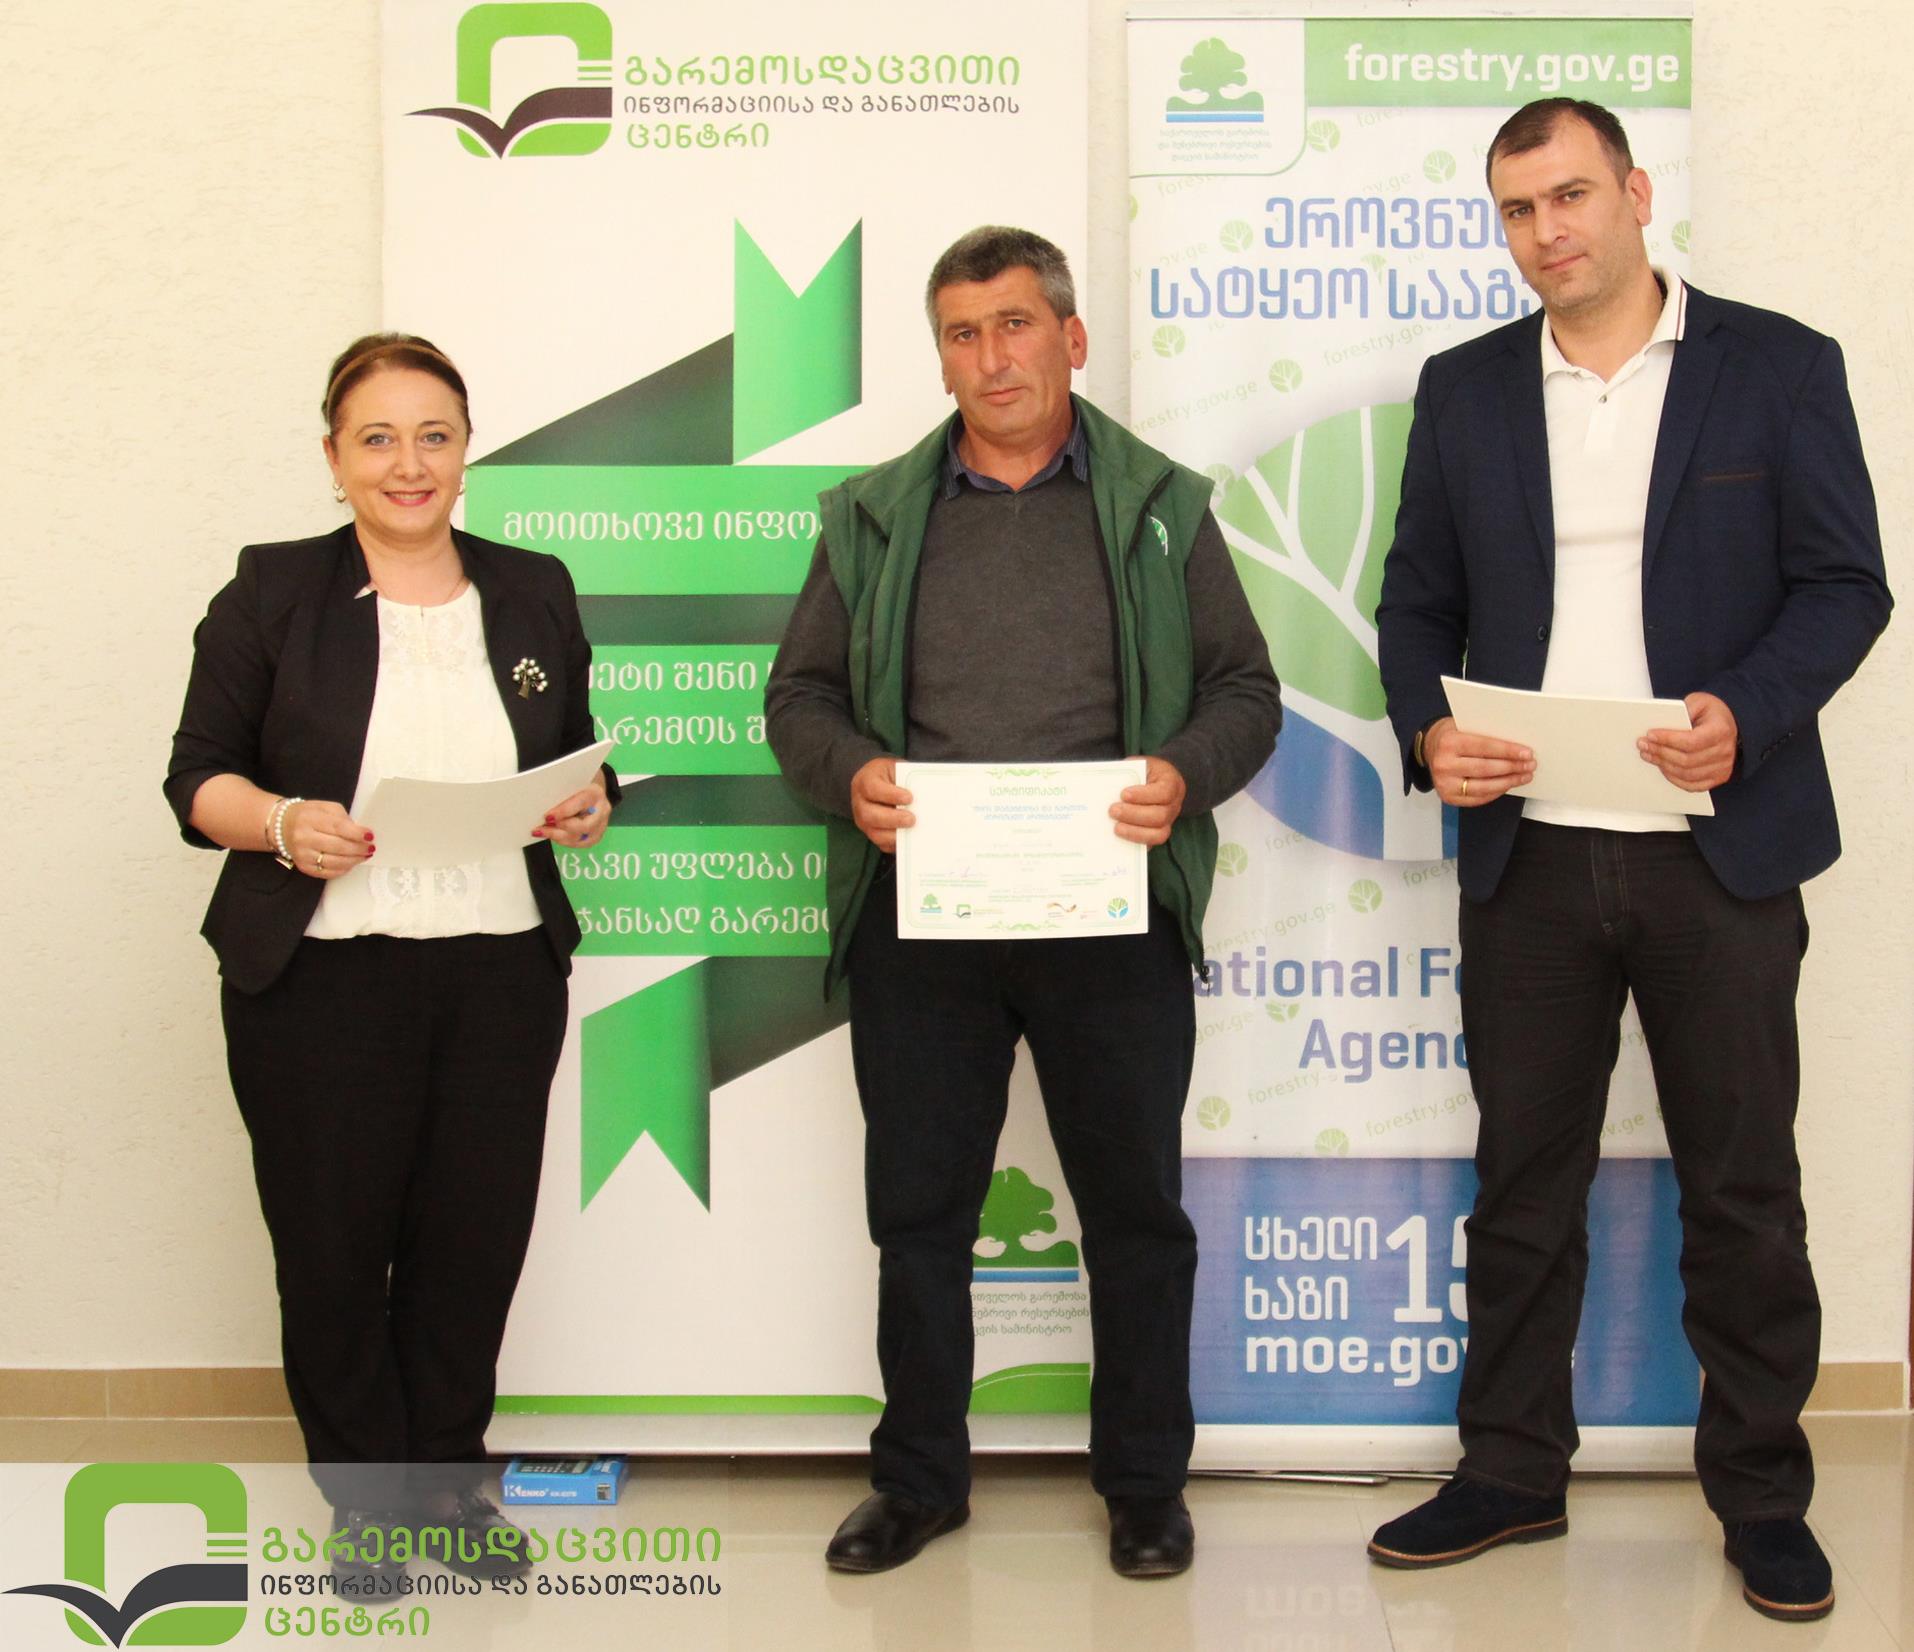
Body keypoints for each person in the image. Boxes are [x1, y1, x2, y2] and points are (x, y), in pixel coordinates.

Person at [1371, 100, 1891, 1622]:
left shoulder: (1779, 366)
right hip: (1529, 856)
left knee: (1742, 1189)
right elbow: (1416, 603)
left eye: (1572, 194)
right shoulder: (1464, 388)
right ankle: (1510, 1471)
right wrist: (1427, 731)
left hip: (1720, 852)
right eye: (1517, 208)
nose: (1548, 231)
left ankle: (1763, 1495)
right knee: (1522, 1183)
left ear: (1636, 192)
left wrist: (1750, 712)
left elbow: (1845, 585)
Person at [765, 226, 1282, 1579]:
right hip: (924, 922)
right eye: (961, 333)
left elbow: (1245, 690)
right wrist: (850, 773)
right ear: (939, 356)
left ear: (1069, 336)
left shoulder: (1160, 505)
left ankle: (1145, 1486)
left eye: (1013, 324)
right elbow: (799, 698)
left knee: (1136, 1215)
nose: (990, 357)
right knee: (918, 1215)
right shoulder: (872, 514)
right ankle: (918, 1481)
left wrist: (1182, 773)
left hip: (1110, 917)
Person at [165, 333, 615, 1587]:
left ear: (467, 451)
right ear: (334, 456)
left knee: (472, 1242)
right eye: (377, 437)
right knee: (333, 1245)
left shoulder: (532, 586)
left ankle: (446, 1483)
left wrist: (592, 801)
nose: (408, 462)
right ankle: (367, 1504)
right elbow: (195, 774)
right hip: (323, 975)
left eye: (434, 435)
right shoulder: (272, 589)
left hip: (499, 970)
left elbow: (575, 745)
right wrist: (279, 822)